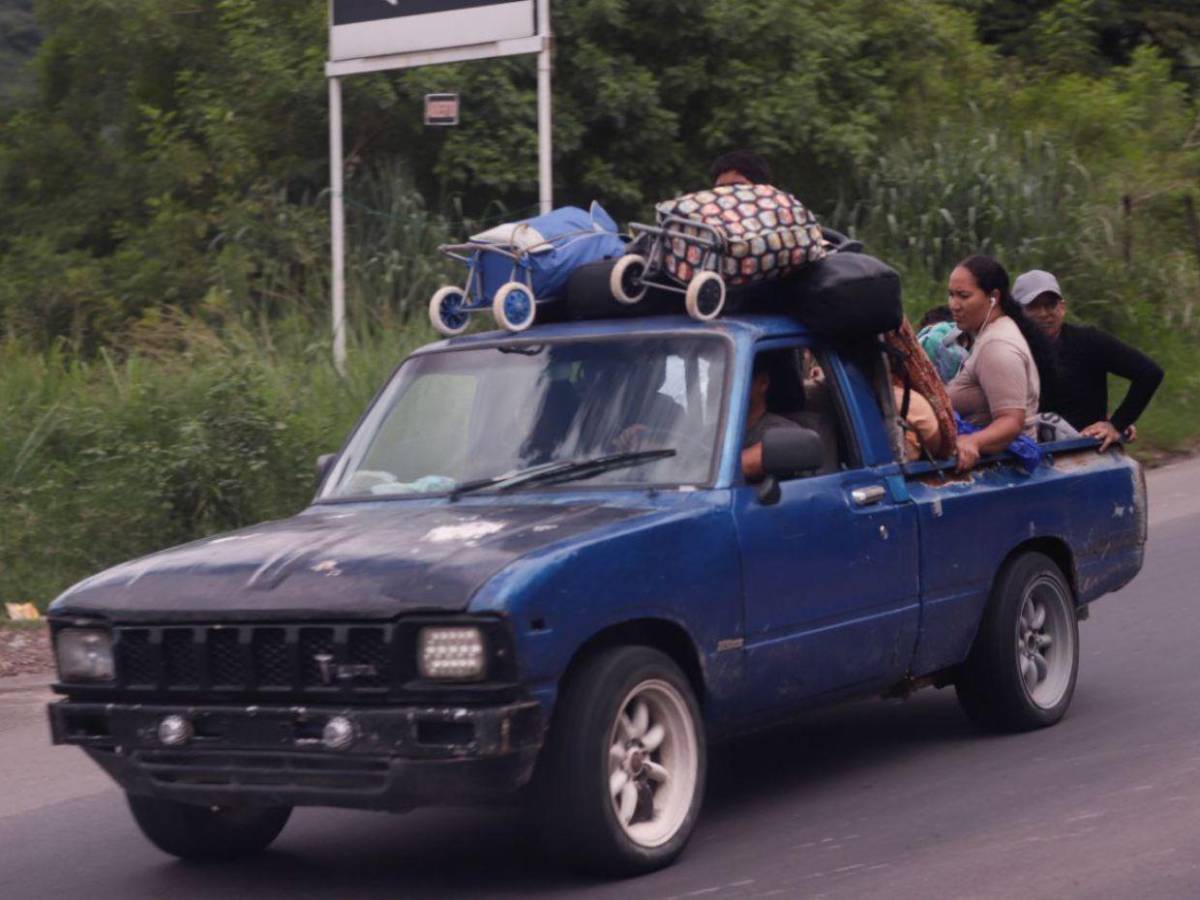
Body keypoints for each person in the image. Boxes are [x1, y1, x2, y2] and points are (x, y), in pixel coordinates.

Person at [1013, 269, 1164, 452]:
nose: (1044, 313)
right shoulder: (1010, 351)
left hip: (1091, 453)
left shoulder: (1089, 341)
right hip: (1030, 458)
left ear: (1062, 307)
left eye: (1050, 304)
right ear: (1017, 313)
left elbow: (1149, 372)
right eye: (1033, 307)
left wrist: (1117, 423)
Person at [946, 255, 1056, 472]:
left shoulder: (997, 345)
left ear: (993, 297)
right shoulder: (988, 336)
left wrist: (972, 442)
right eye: (951, 295)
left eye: (964, 296)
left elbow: (1011, 422)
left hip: (1002, 470)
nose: (954, 305)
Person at [741, 354, 802, 480]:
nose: (721, 385)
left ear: (763, 382)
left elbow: (747, 465)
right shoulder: (714, 431)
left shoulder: (784, 430)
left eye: (734, 378)